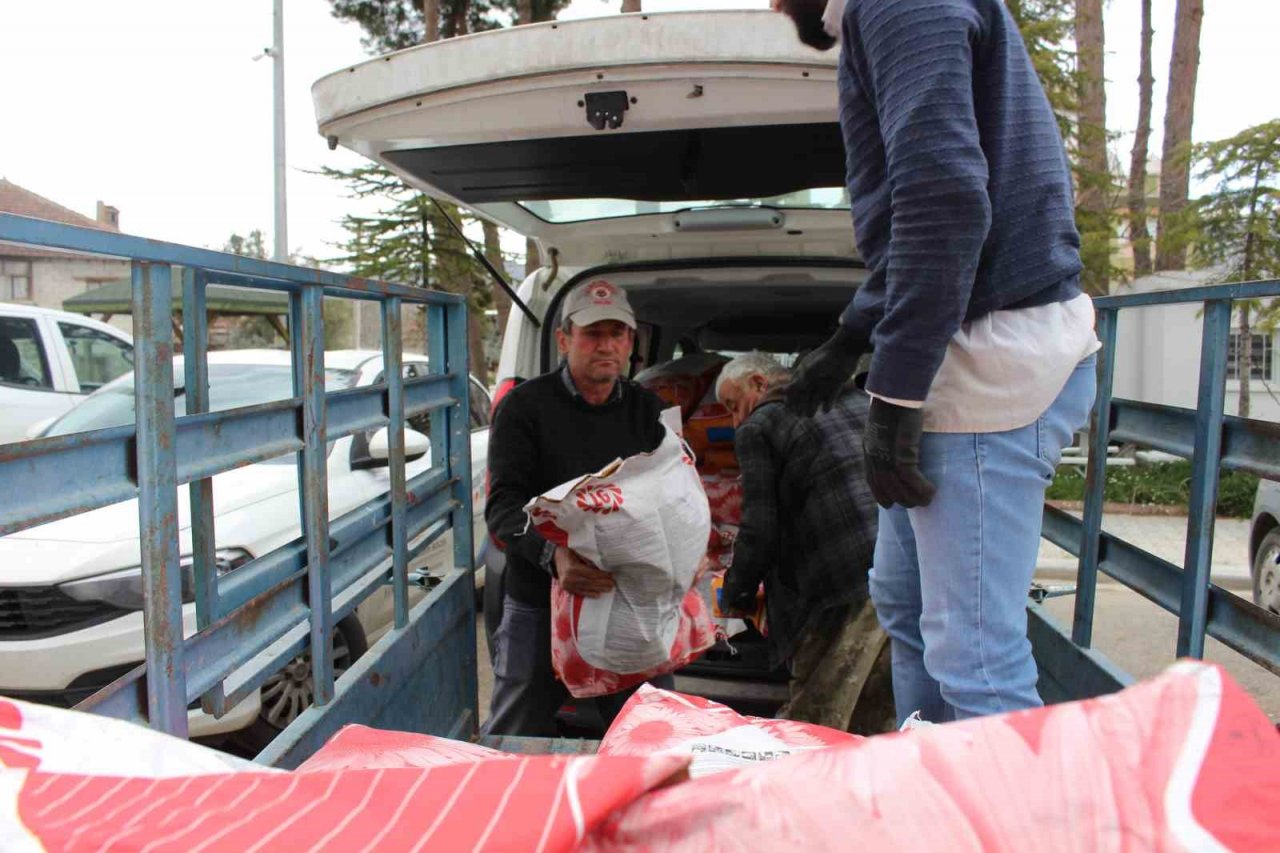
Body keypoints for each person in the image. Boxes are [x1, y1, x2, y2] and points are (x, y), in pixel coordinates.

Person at [773, 0, 1100, 723]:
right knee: (905, 606)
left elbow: (945, 202)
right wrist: (853, 336)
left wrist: (892, 396)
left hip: (989, 366)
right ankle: (932, 789)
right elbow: (913, 220)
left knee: (973, 654)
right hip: (976, 345)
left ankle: (1005, 826)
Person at [482, 279, 671, 736]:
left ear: (631, 342)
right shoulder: (524, 408)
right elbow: (503, 507)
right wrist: (554, 556)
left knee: (648, 731)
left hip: (626, 603)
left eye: (617, 334)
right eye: (592, 334)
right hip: (540, 601)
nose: (606, 345)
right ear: (564, 340)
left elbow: (672, 499)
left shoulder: (650, 412)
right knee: (517, 730)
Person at [716, 352, 894, 734]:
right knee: (879, 720)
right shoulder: (858, 400)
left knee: (812, 724)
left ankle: (795, 792)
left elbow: (759, 529)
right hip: (904, 568)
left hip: (842, 583)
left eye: (733, 406)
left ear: (759, 385)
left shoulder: (761, 423)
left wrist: (736, 594)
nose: (734, 421)